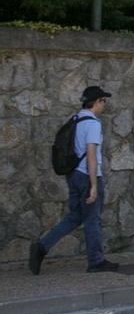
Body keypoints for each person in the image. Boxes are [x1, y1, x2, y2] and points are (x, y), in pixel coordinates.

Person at [28, 86, 120, 274]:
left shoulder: (76, 119)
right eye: (104, 101)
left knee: (75, 216)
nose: (104, 105)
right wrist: (94, 186)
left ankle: (41, 246)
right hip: (87, 176)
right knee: (92, 219)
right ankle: (96, 261)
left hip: (74, 175)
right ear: (97, 102)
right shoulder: (93, 124)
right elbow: (91, 156)